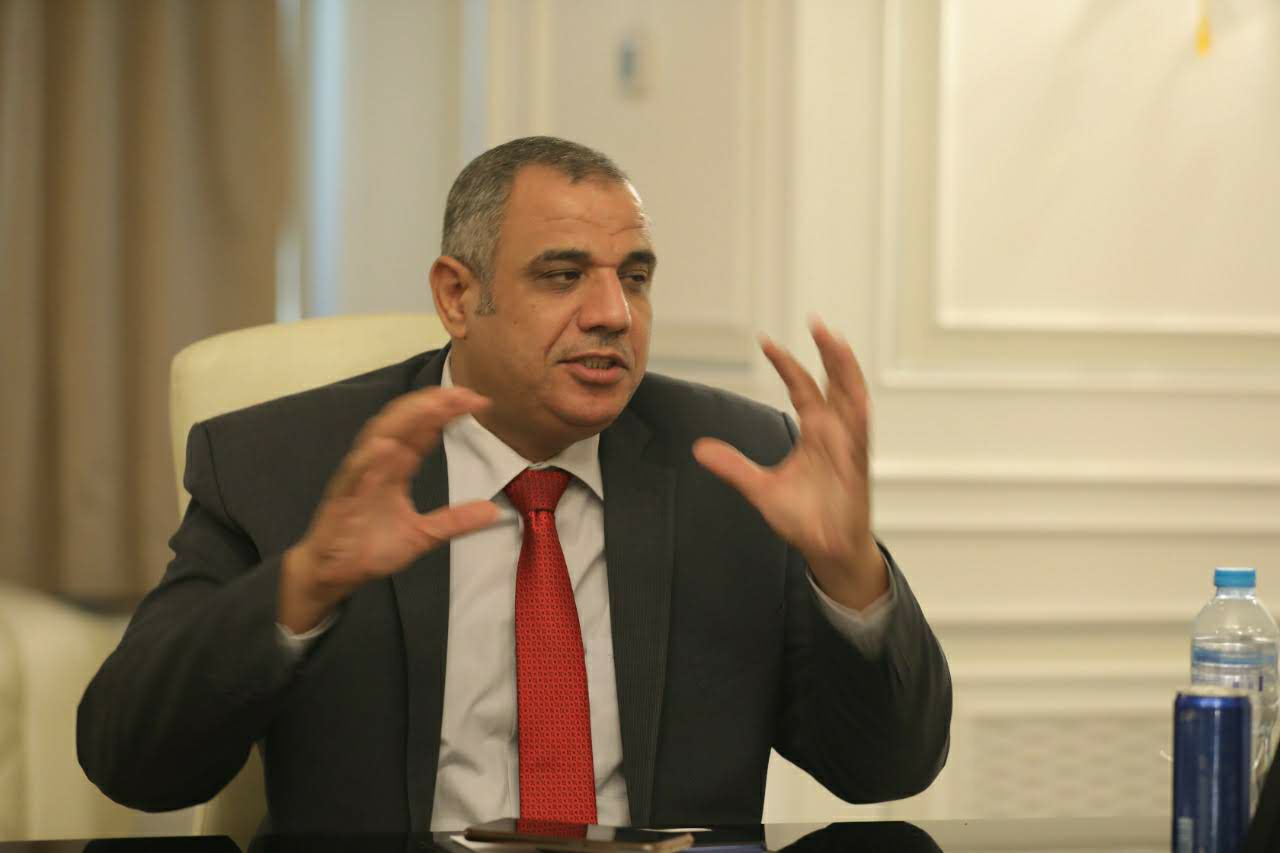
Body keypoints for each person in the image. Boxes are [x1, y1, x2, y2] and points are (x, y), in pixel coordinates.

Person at [77, 137, 951, 833]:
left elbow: (885, 769)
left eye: (634, 278)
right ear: (458, 296)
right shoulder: (282, 464)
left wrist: (850, 575)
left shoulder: (739, 465)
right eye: (563, 275)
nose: (613, 313)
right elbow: (132, 763)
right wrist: (303, 584)